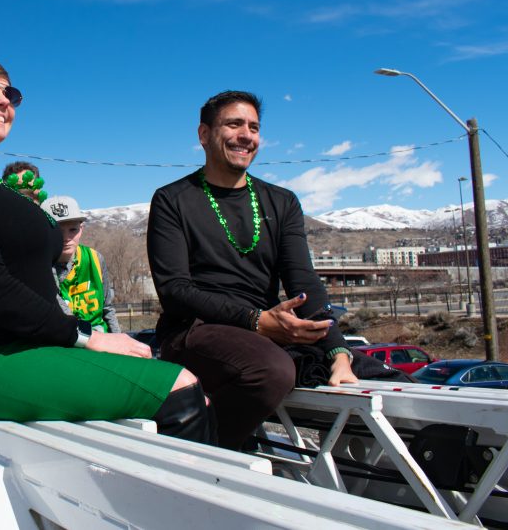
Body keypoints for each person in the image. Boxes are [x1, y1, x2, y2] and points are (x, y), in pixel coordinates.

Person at [0, 56, 214, 445]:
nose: (3, 101)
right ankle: (192, 505)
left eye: (11, 93)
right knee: (180, 385)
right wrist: (90, 337)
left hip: (35, 350)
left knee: (187, 386)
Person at [147, 90, 356, 450]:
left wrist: (339, 353)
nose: (247, 135)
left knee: (359, 376)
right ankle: (201, 455)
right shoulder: (172, 200)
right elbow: (175, 290)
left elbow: (302, 281)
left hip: (264, 331)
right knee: (271, 371)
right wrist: (256, 321)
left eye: (254, 127)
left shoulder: (282, 201)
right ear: (204, 134)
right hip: (193, 330)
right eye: (234, 124)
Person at [41, 195, 120, 333]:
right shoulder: (42, 265)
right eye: (58, 231)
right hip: (68, 338)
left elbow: (107, 308)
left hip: (102, 335)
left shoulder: (95, 258)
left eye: (73, 230)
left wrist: (119, 339)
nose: (66, 238)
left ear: (81, 228)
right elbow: (62, 315)